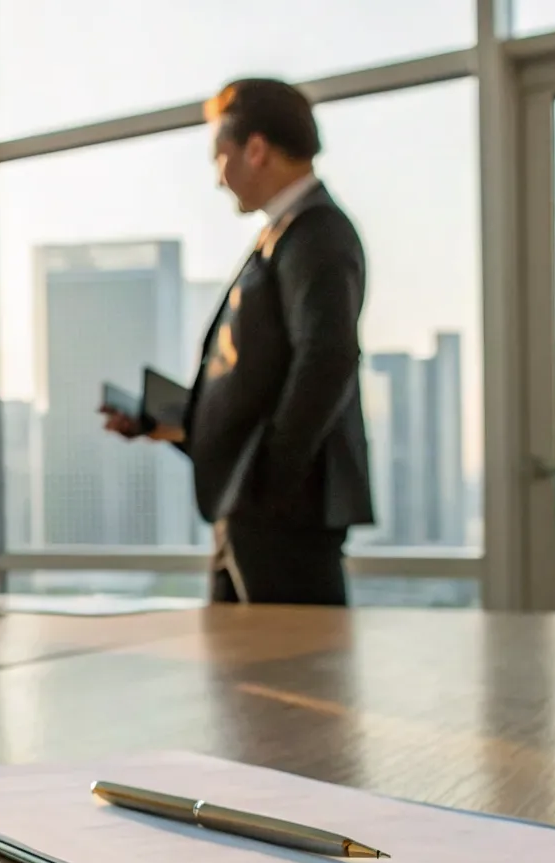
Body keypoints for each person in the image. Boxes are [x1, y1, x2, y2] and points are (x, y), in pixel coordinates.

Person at [102, 78, 373, 605]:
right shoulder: (287, 235)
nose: (218, 179)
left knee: (288, 676)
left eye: (219, 156)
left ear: (255, 149)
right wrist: (165, 420)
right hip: (254, 510)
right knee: (246, 681)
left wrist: (270, 481)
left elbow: (328, 357)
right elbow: (257, 385)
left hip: (281, 515)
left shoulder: (317, 234)